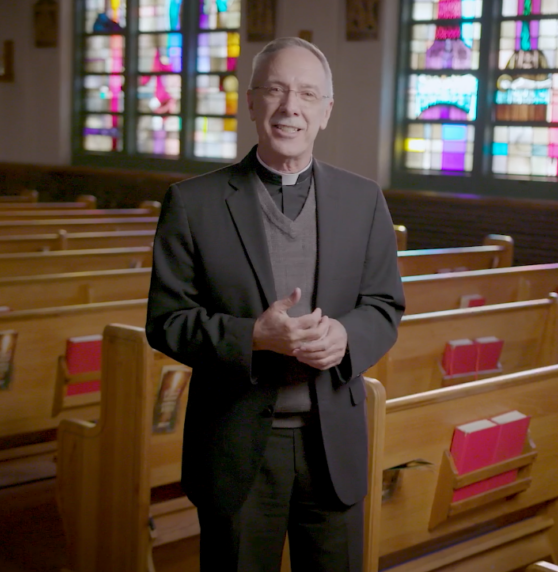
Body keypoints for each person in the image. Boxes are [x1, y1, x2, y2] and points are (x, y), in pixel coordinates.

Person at [145, 37, 405, 571]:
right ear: (251, 101)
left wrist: (347, 336)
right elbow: (166, 321)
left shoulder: (364, 200)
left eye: (308, 94)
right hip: (236, 447)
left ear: (326, 111)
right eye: (276, 91)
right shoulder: (192, 203)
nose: (291, 107)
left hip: (332, 448)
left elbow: (384, 304)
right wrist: (253, 337)